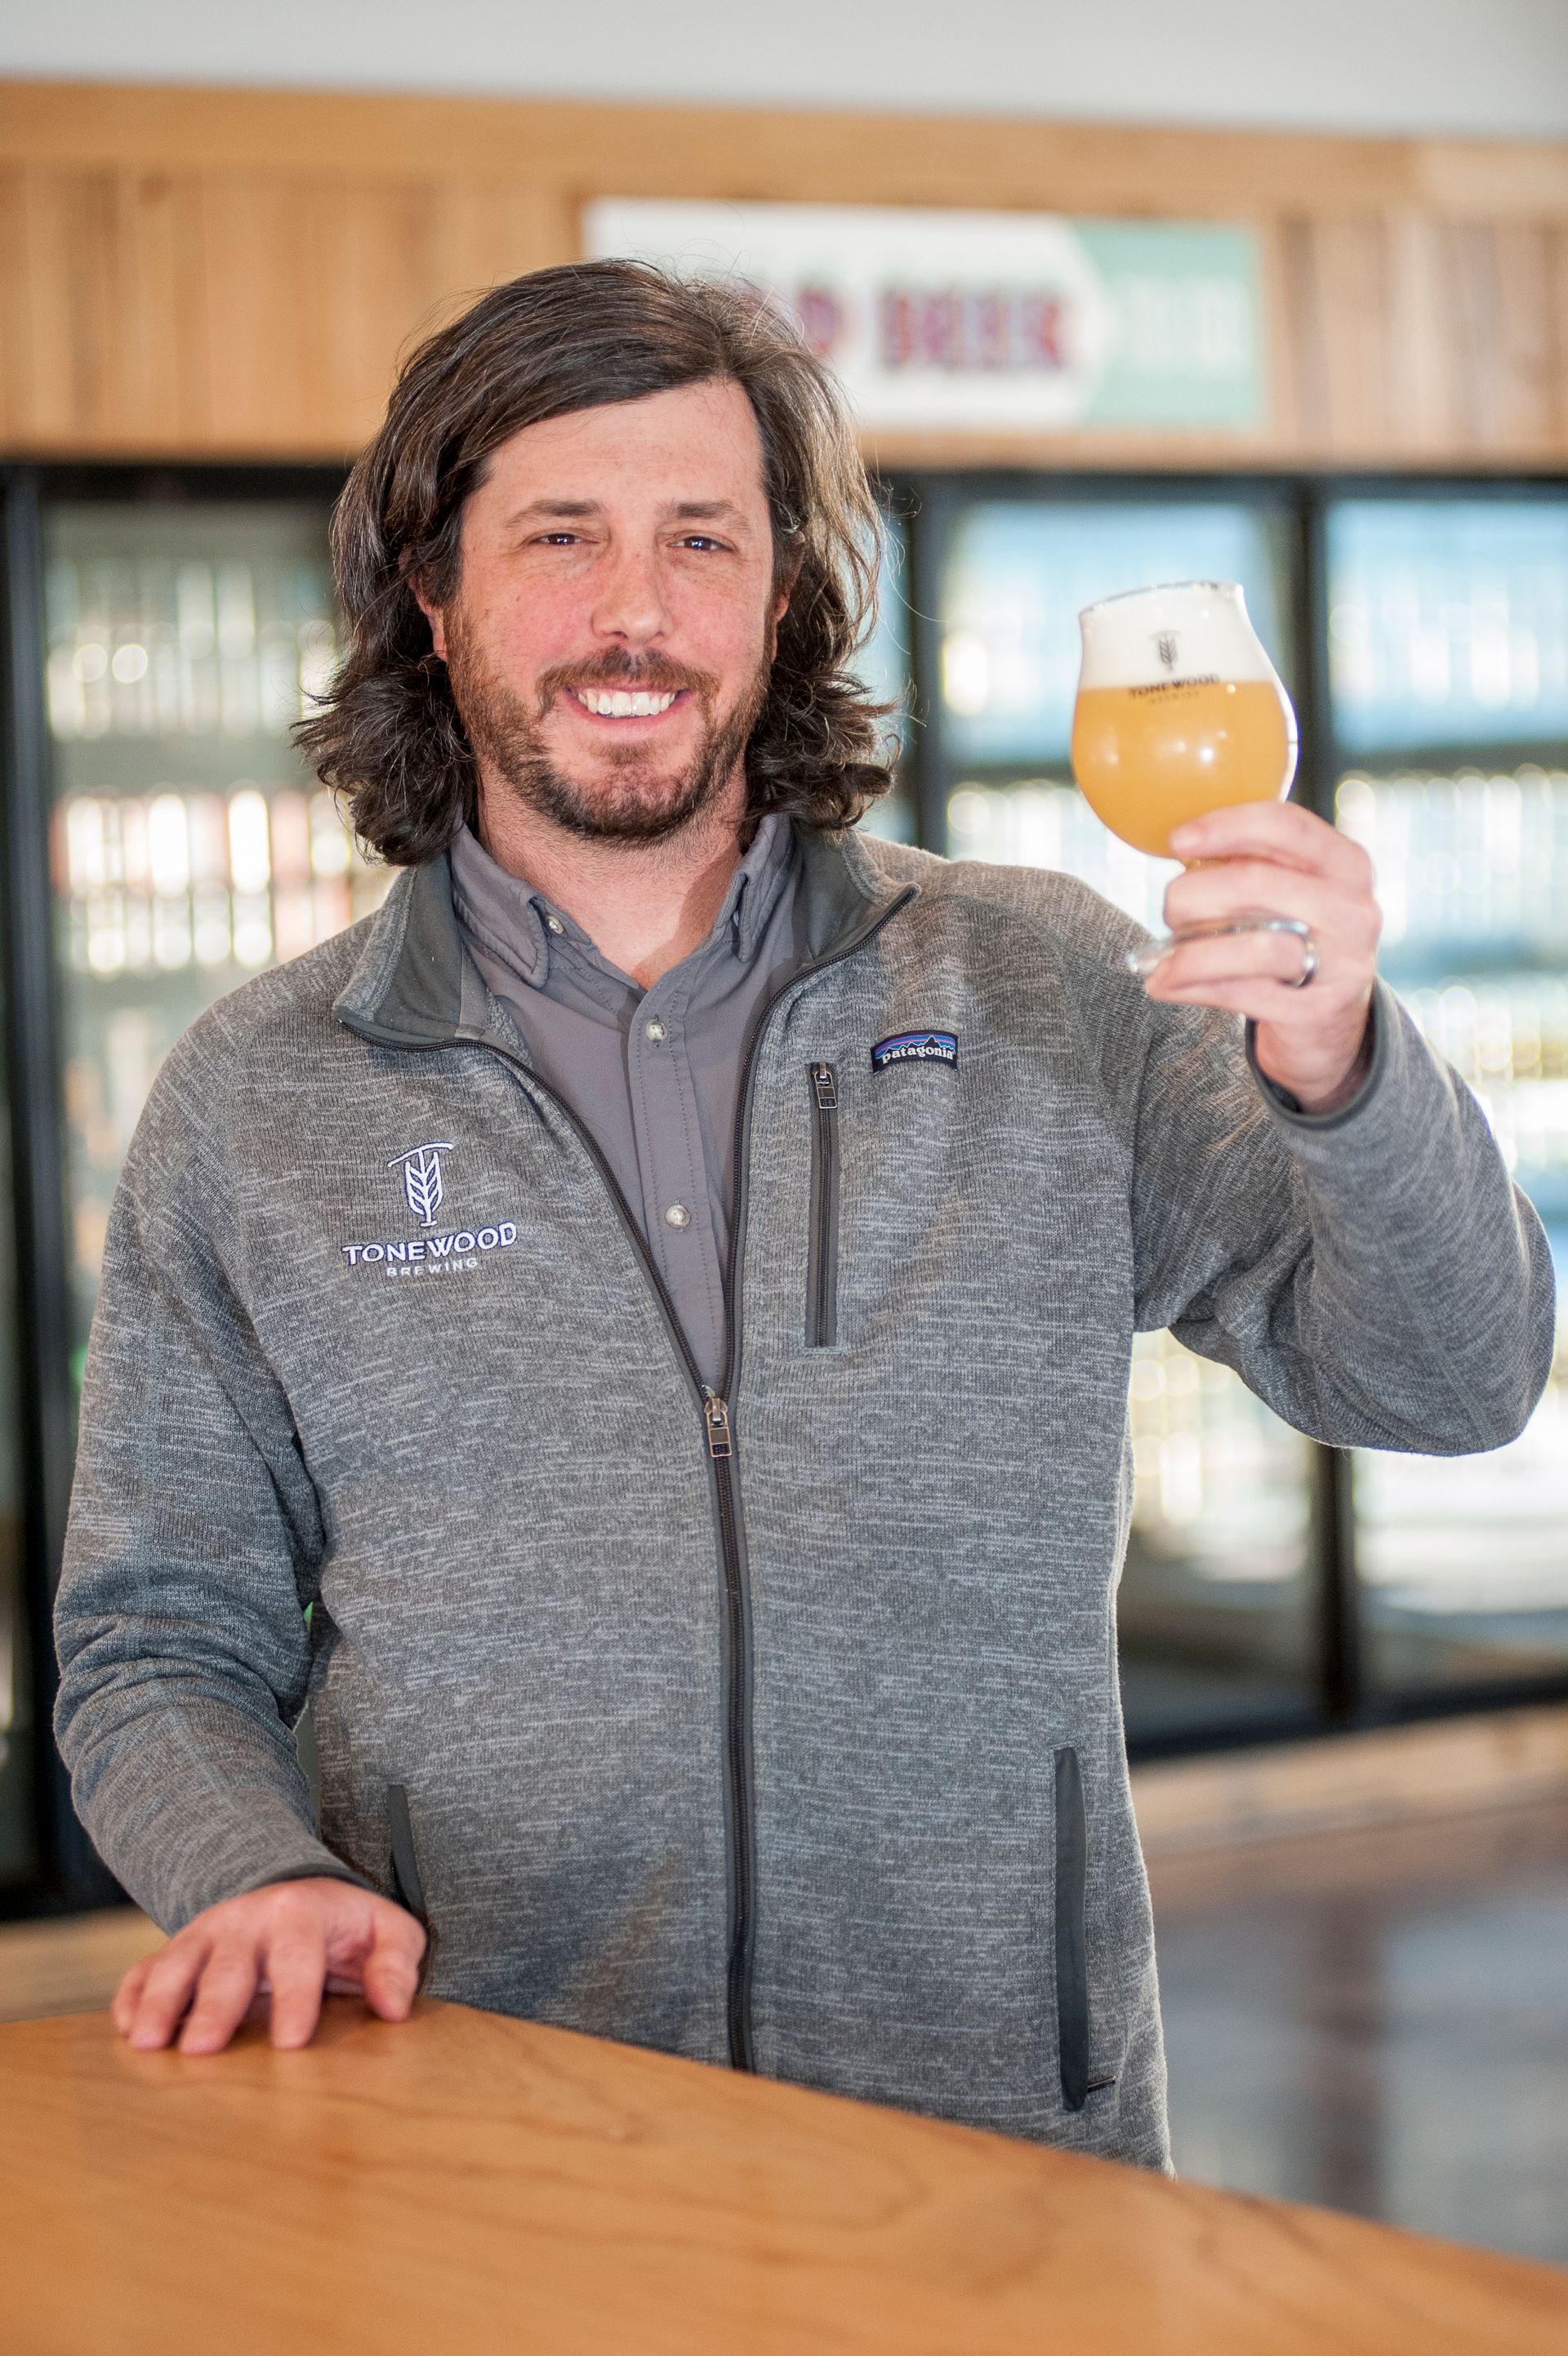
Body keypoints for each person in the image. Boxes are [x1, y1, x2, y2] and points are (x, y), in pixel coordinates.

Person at [53, 262, 1552, 2171]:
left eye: (703, 539)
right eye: (560, 538)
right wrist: (247, 1871)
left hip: (1005, 2152)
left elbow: (1457, 1378)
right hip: (487, 2137)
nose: (635, 612)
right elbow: (151, 1641)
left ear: (784, 596)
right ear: (430, 601)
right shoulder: (263, 1099)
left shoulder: (1047, 987)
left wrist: (1343, 1069)